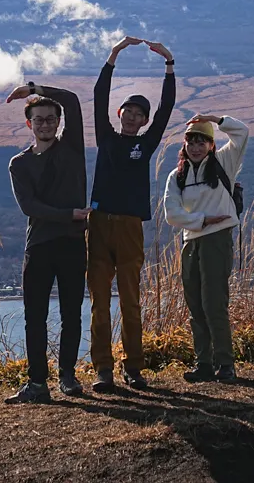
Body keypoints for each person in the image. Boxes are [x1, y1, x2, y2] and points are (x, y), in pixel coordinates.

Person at [87, 35, 177, 392]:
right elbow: (98, 97)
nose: (134, 118)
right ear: (120, 114)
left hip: (129, 227)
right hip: (98, 224)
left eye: (141, 115)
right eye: (129, 112)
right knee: (98, 302)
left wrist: (169, 64)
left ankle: (134, 367)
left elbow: (167, 108)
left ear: (143, 121)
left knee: (130, 300)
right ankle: (102, 370)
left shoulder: (146, 142)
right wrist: (113, 56)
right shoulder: (106, 138)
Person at [4, 79, 91, 403]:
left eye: (50, 119)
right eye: (38, 119)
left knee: (72, 312)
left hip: (70, 244)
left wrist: (32, 88)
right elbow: (30, 207)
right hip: (39, 245)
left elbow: (70, 99)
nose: (44, 124)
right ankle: (37, 383)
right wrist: (70, 214)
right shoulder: (19, 164)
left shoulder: (72, 147)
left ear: (58, 122)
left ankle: (67, 377)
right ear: (29, 124)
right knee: (34, 315)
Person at [161, 112, 250, 385]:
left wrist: (213, 119)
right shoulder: (177, 176)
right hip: (191, 241)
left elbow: (242, 132)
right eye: (191, 142)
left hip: (217, 240)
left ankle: (225, 364)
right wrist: (201, 220)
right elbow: (171, 214)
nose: (196, 147)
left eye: (202, 142)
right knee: (196, 306)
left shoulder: (225, 162)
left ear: (212, 145)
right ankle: (204, 364)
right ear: (184, 145)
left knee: (214, 304)